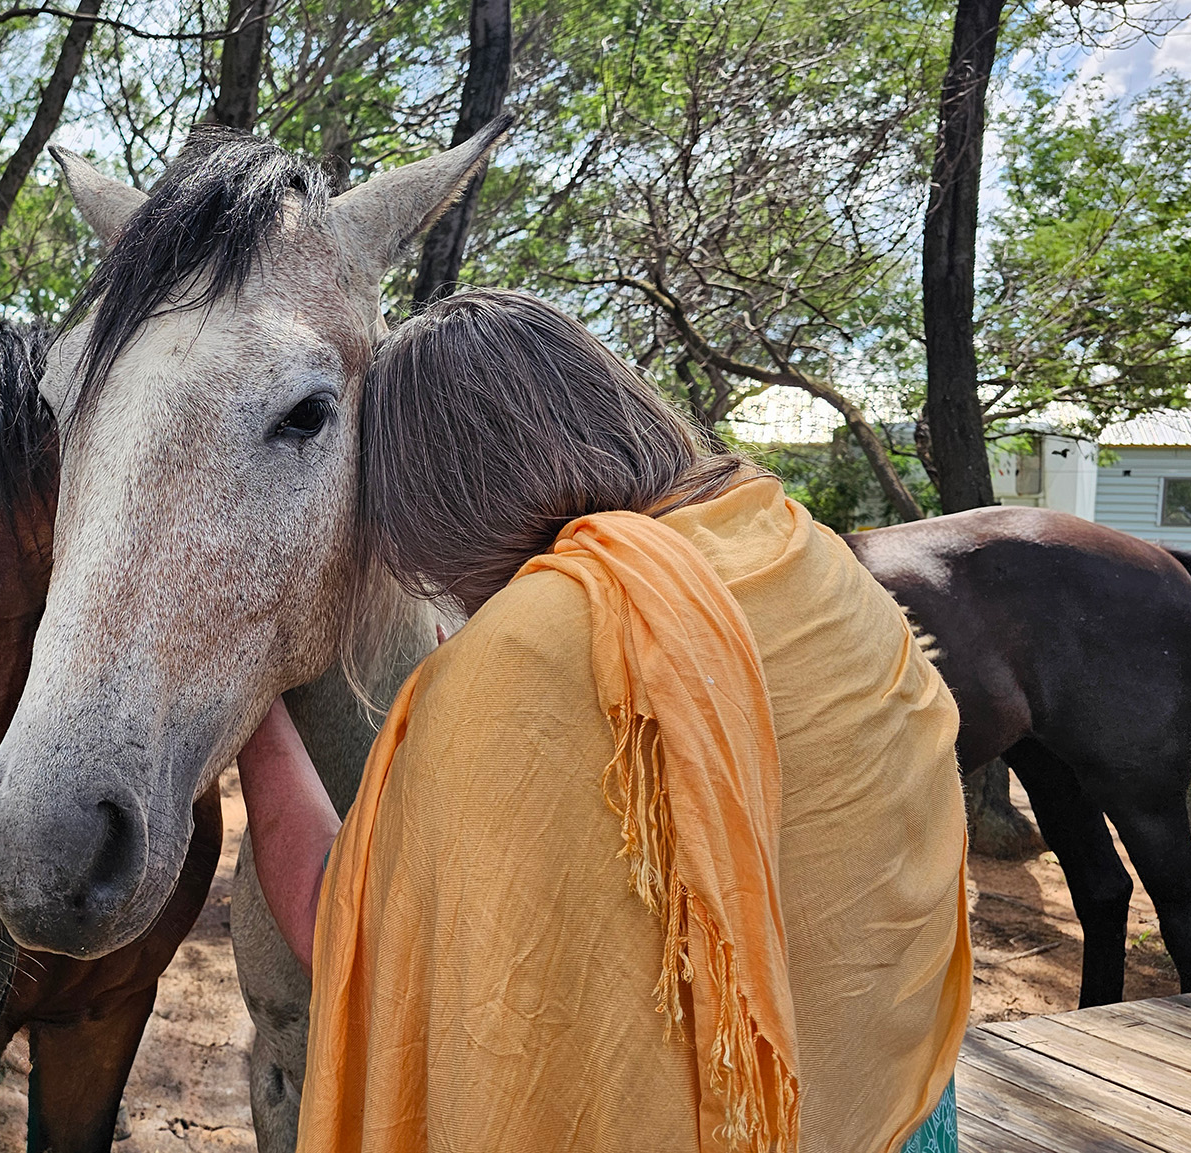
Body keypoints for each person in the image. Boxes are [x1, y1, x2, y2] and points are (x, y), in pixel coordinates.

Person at [237, 290, 969, 1152]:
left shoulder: (525, 655)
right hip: (894, 1107)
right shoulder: (792, 543)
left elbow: (344, 928)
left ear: (428, 503)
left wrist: (250, 707)